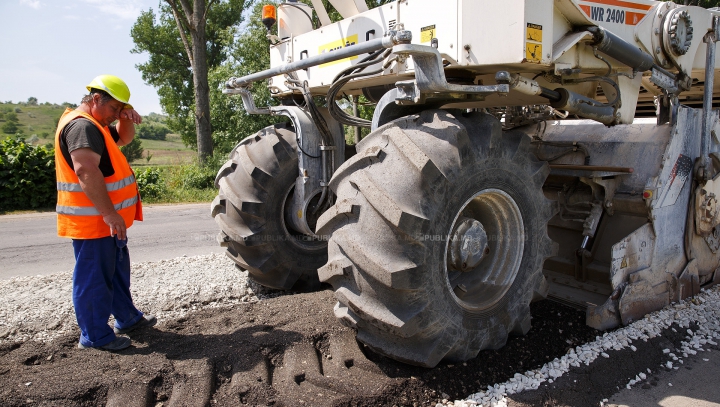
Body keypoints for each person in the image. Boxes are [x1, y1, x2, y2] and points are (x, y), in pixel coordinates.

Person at [54, 74, 156, 351]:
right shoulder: (82, 128)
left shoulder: (96, 125)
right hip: (96, 221)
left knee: (115, 273)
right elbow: (86, 170)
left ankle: (127, 318)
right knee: (95, 279)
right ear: (96, 98)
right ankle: (95, 336)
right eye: (113, 108)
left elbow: (123, 138)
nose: (114, 115)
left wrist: (125, 116)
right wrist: (110, 214)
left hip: (107, 222)